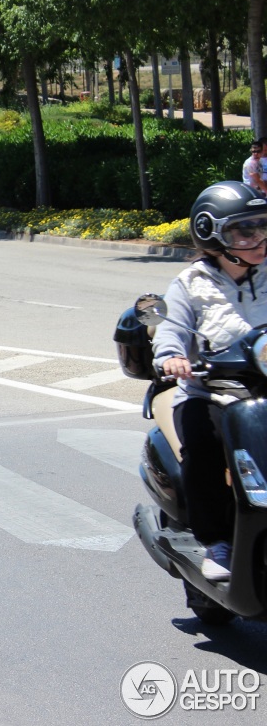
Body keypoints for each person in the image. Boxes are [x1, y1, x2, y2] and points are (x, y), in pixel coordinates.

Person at [151, 181, 267, 582]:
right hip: (212, 393)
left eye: (263, 227)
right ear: (212, 233)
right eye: (245, 230)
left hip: (263, 393)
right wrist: (173, 358)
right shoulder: (190, 284)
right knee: (202, 446)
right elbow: (170, 329)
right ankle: (217, 541)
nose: (258, 238)